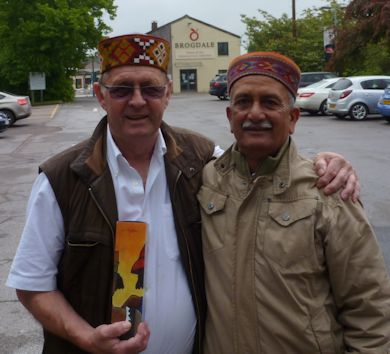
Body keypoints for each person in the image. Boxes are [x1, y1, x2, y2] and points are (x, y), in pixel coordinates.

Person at [6, 34, 359, 354]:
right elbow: (32, 285)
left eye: (151, 89)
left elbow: (263, 164)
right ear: (101, 96)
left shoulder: (203, 158)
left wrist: (323, 163)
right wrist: (85, 337)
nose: (138, 102)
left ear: (169, 94)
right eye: (122, 90)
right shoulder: (61, 178)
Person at [197, 51, 390, 354]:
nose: (255, 113)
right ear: (230, 116)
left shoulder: (327, 189)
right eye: (244, 101)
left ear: (293, 118)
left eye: (270, 102)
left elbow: (370, 307)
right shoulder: (205, 180)